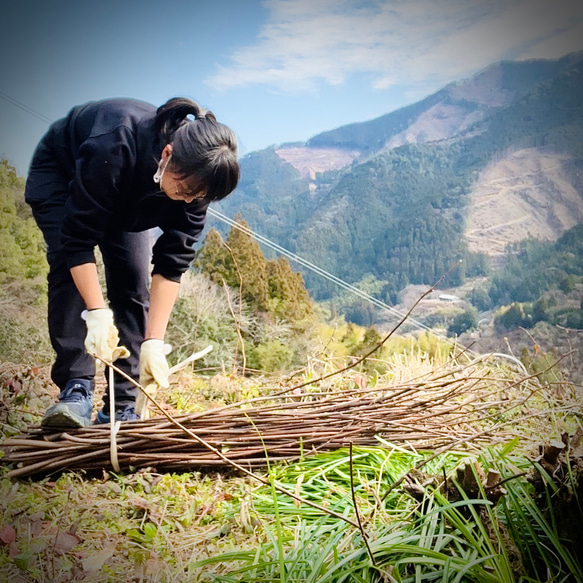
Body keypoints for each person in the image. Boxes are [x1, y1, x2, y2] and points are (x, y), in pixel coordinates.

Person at [24, 97, 239, 428]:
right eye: (186, 189)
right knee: (70, 273)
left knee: (133, 280)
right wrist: (96, 315)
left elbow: (171, 266)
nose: (189, 199)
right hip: (64, 176)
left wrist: (154, 341)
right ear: (167, 155)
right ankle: (76, 388)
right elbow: (78, 241)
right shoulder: (116, 140)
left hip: (131, 195)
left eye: (199, 195)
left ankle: (123, 403)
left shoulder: (195, 190)